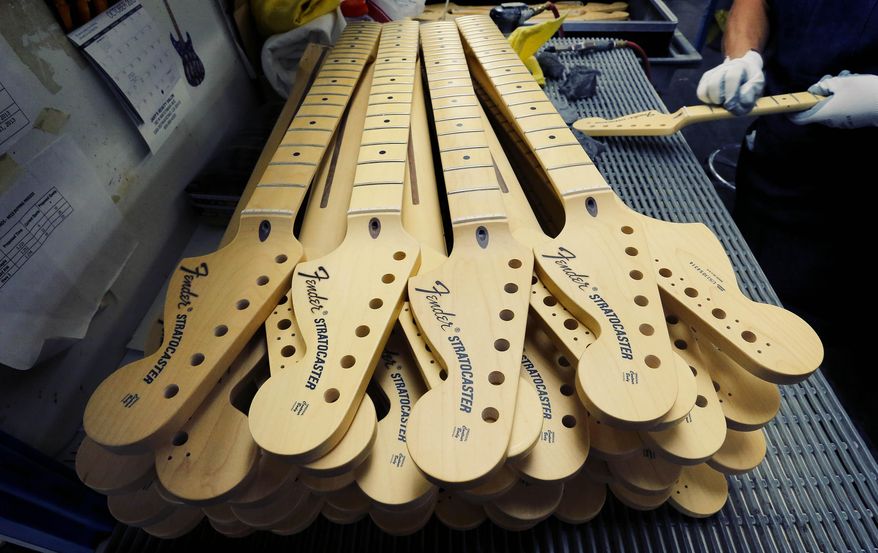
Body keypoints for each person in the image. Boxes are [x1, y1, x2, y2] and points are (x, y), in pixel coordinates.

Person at [695, 0, 877, 443]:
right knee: (750, 288)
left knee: (837, 347)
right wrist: (742, 58)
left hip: (863, 189)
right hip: (782, 150)